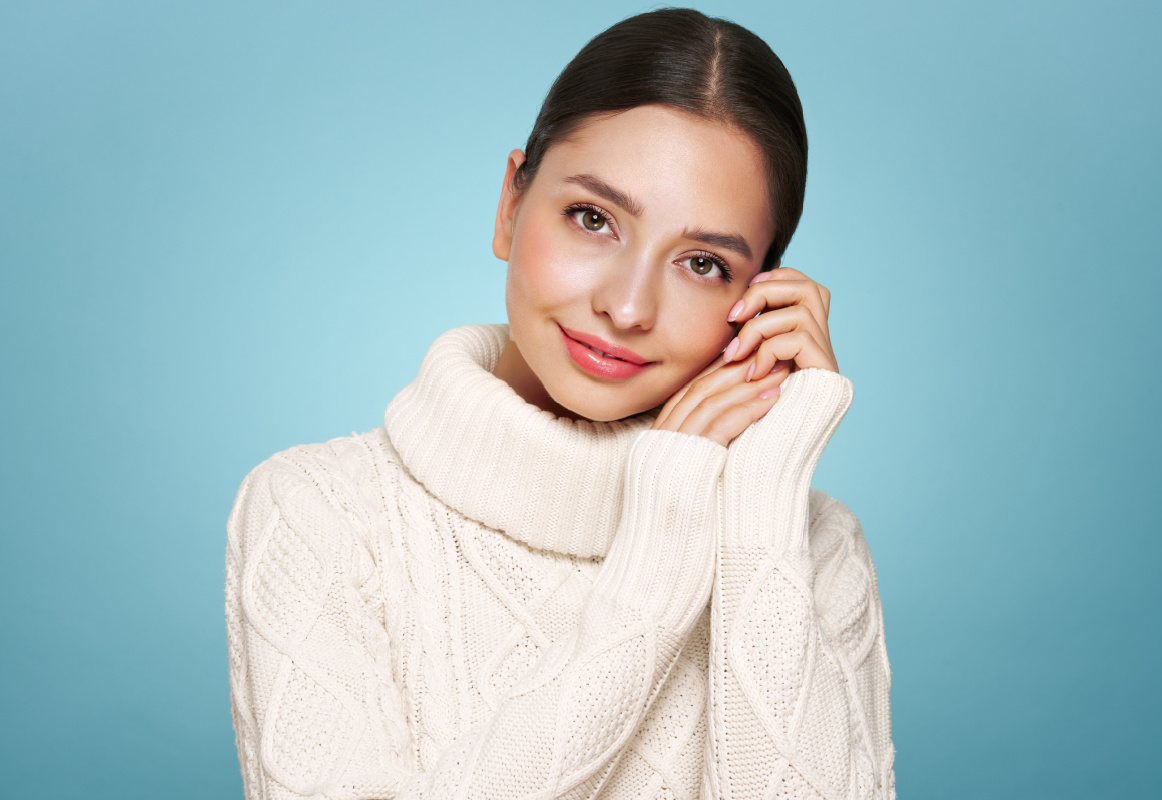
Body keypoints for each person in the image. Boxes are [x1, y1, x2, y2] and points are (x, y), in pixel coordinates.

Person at [224, 7, 895, 799]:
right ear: (510, 206)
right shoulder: (317, 514)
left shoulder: (809, 543)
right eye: (593, 219)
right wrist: (654, 573)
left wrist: (760, 498)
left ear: (759, 299)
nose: (628, 307)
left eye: (702, 264)